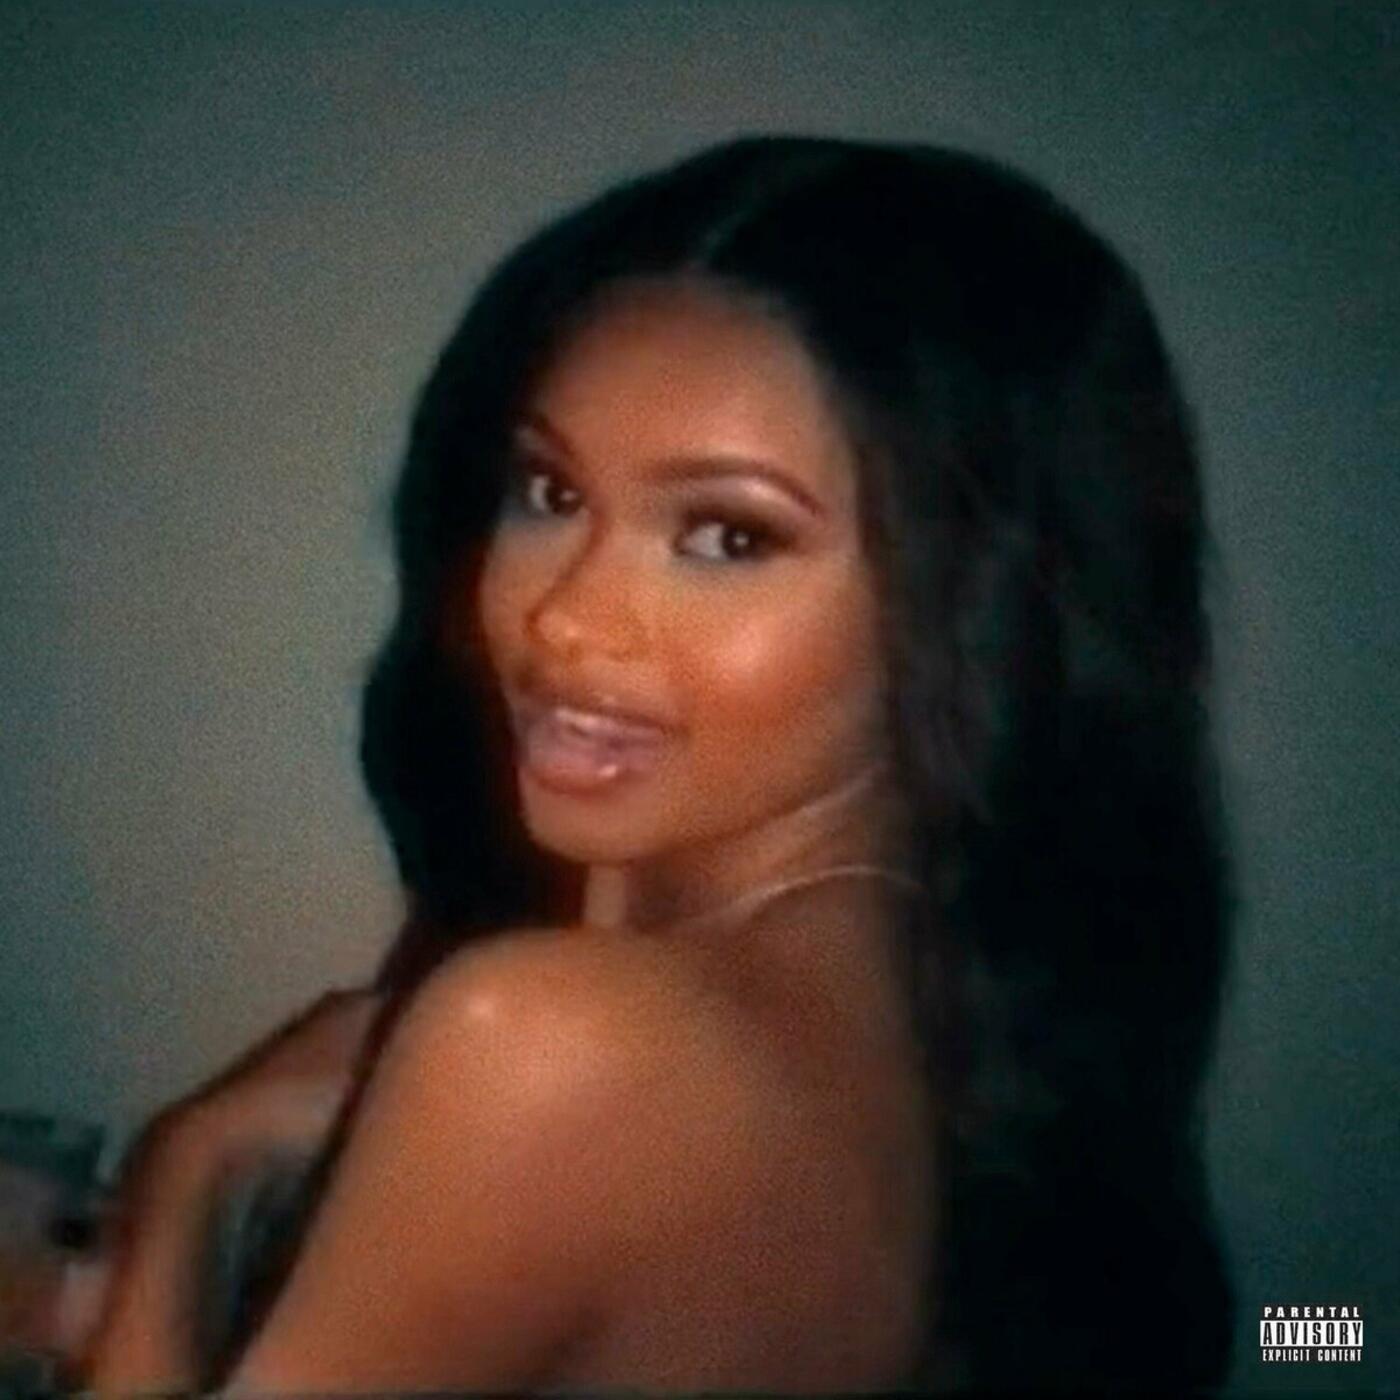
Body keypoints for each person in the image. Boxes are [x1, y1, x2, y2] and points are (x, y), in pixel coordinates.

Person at [80, 136, 1232, 1392]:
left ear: (972, 604)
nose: (562, 617)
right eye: (547, 491)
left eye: (726, 535)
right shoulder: (953, 1001)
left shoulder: (551, 1043)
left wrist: (188, 1175)